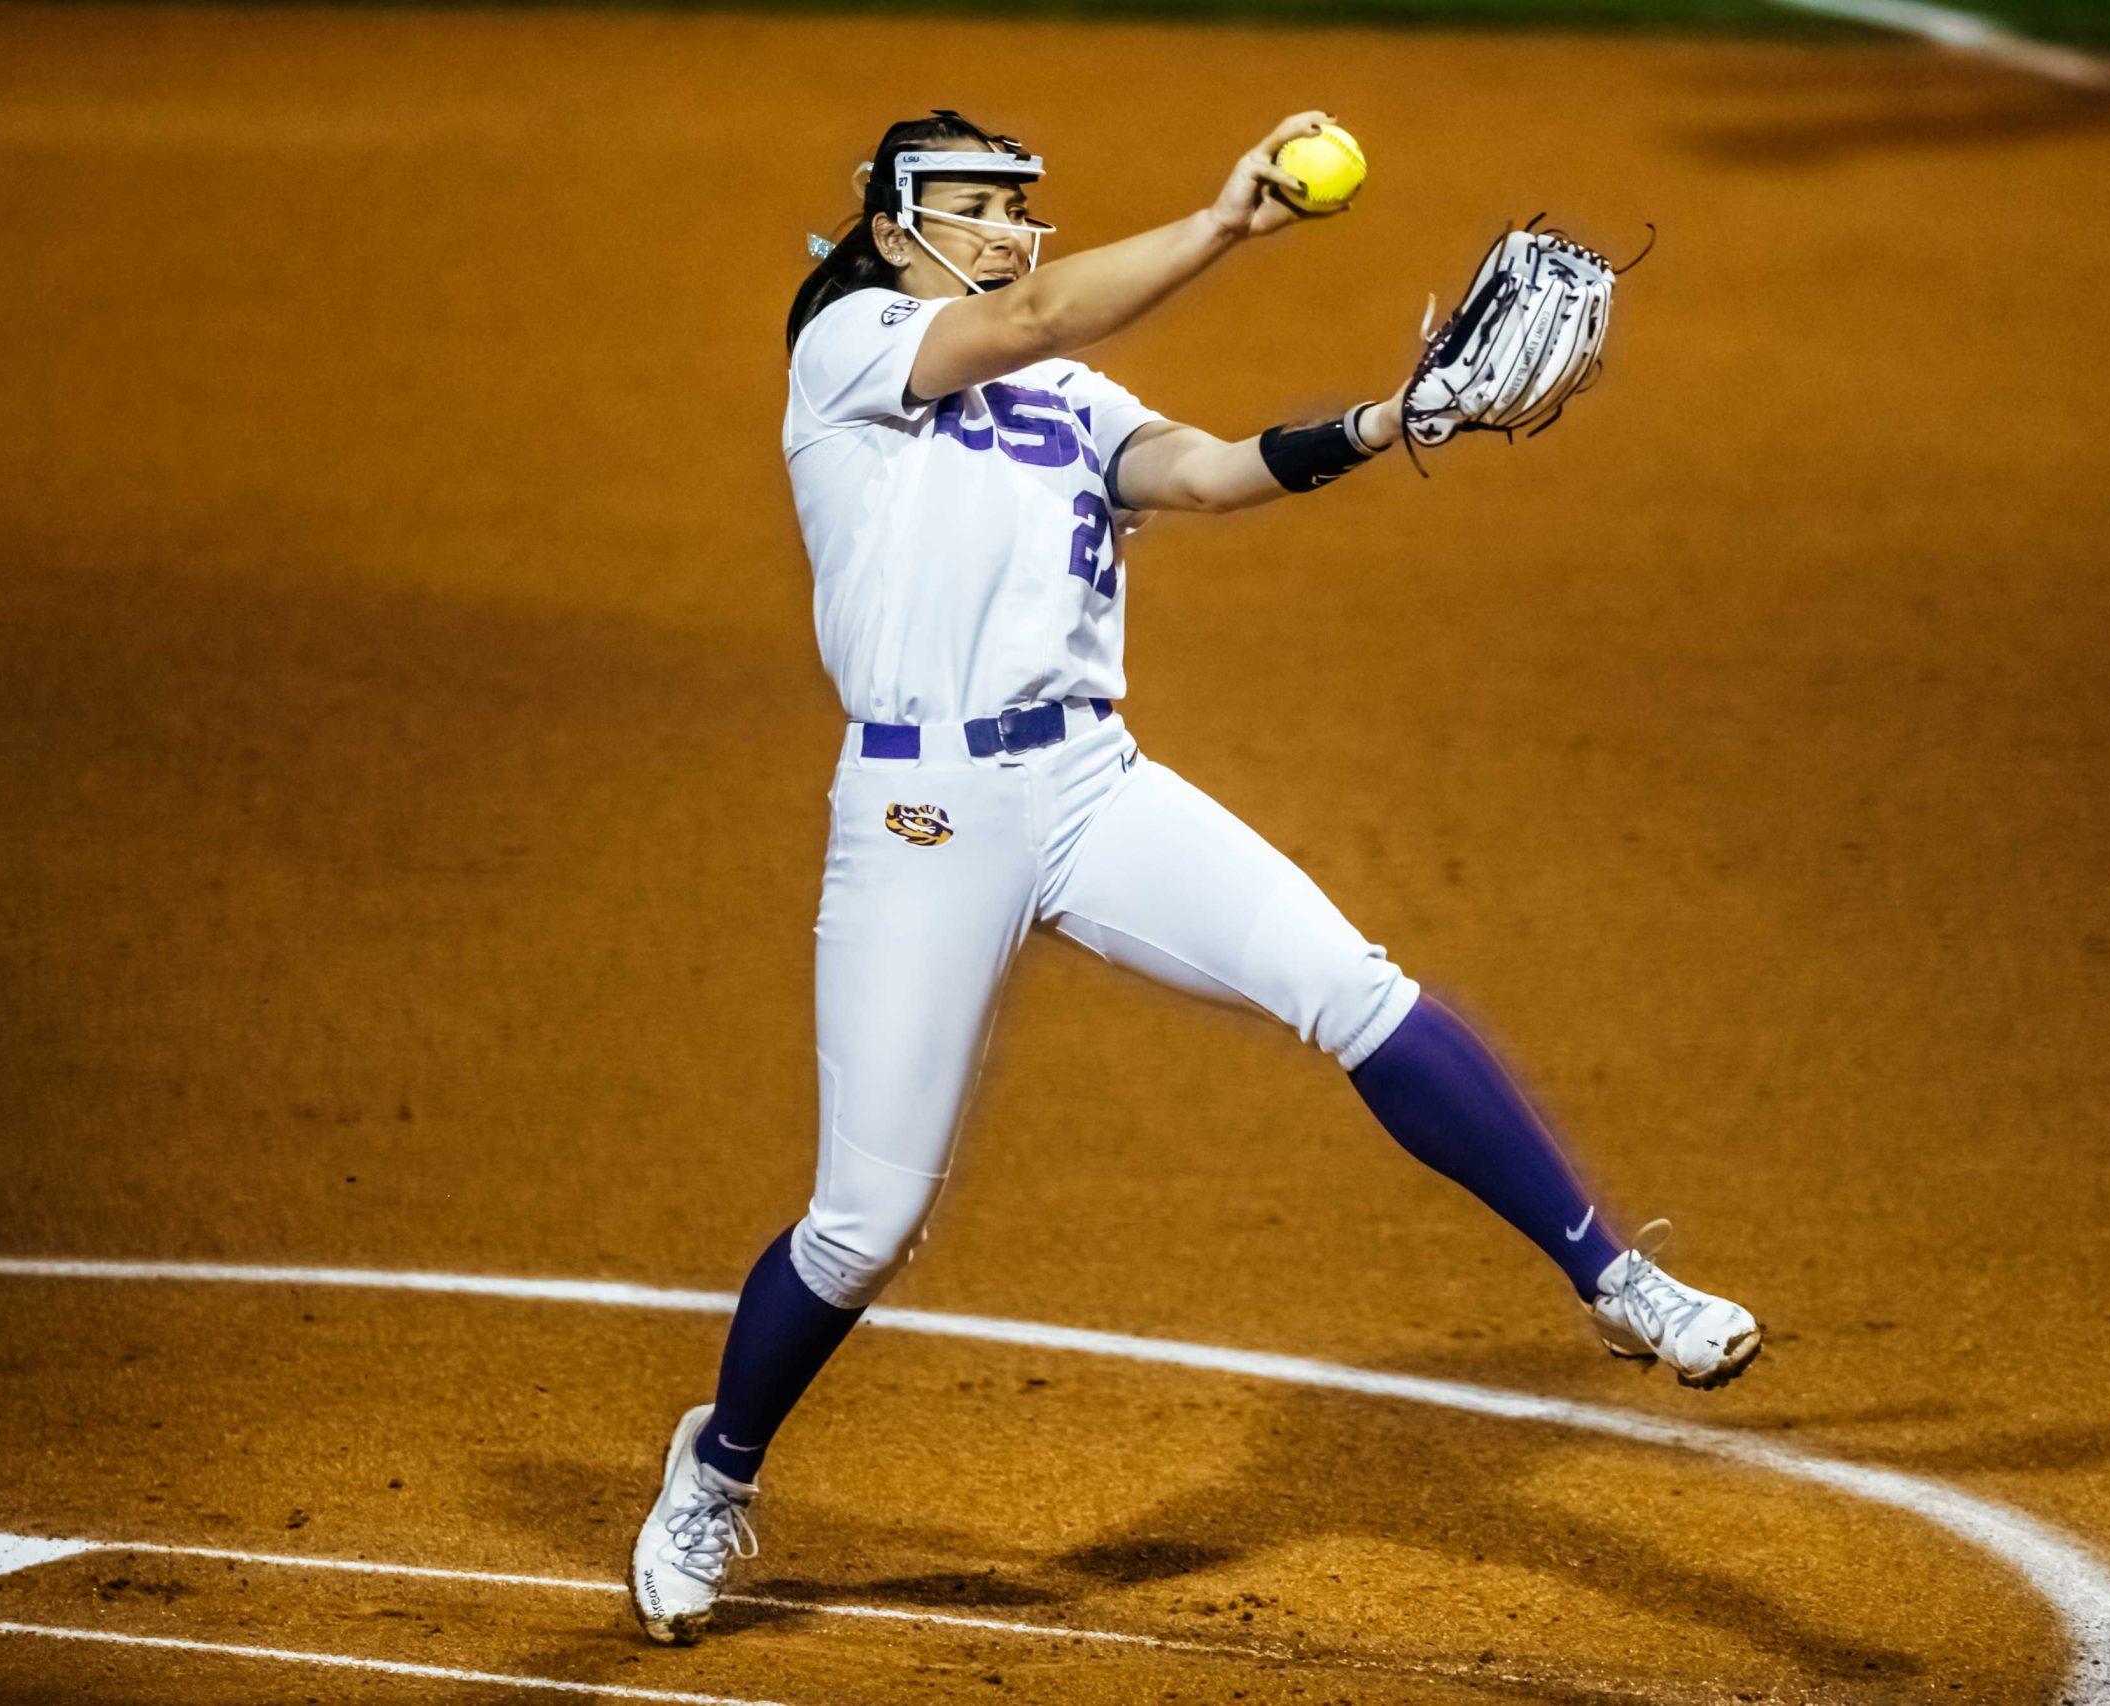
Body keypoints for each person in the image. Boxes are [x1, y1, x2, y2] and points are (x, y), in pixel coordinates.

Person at [628, 108, 1761, 1646]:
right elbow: (1027, 311)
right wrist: (1233, 223)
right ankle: (718, 1464)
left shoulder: (1063, 388)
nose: (1011, 231)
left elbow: (1207, 474)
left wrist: (1384, 419)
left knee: (1349, 984)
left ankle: (1617, 1279)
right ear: (897, 230)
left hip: (1090, 782)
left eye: (1022, 207)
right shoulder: (851, 347)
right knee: (862, 1224)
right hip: (921, 810)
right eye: (975, 206)